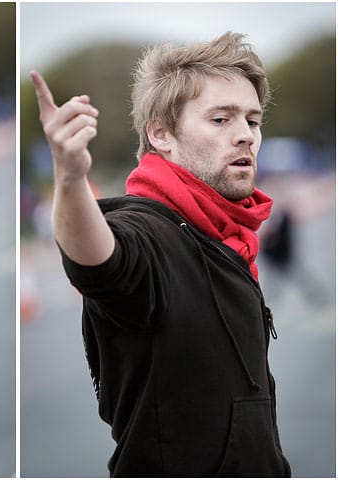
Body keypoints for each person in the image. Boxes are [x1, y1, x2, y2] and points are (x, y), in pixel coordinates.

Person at [31, 31, 291, 477]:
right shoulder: (150, 232)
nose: (245, 135)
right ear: (161, 134)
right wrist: (71, 180)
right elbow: (102, 263)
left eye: (252, 120)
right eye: (221, 119)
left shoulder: (229, 235)